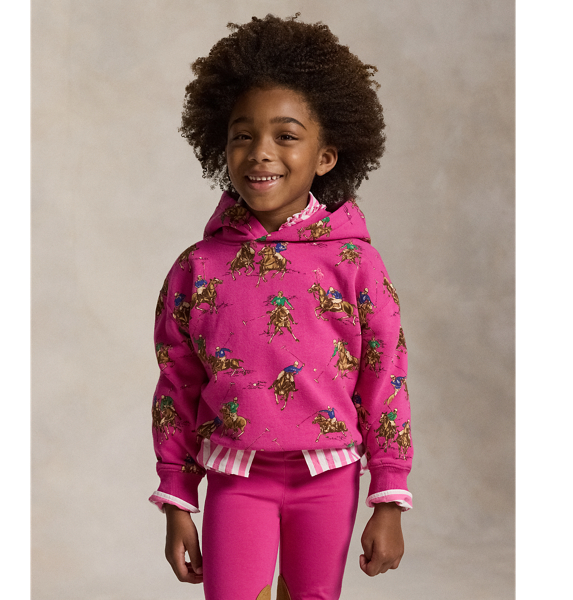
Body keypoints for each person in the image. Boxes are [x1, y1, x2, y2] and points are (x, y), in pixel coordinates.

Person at [149, 14, 412, 600]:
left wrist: (389, 498)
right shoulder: (198, 268)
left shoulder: (356, 264)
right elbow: (177, 387)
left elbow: (385, 378)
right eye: (242, 135)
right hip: (235, 478)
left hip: (330, 479)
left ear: (326, 156)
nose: (260, 153)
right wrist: (178, 498)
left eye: (286, 136)